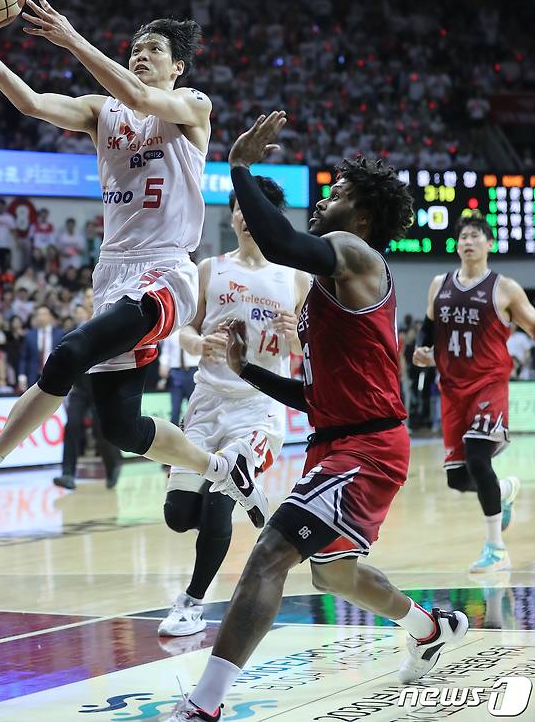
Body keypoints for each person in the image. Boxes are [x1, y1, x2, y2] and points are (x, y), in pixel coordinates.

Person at [0, 0, 265, 520]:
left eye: (152, 49)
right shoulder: (102, 111)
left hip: (166, 272)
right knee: (122, 427)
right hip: (113, 275)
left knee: (67, 355)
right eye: (135, 48)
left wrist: (71, 37)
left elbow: (143, 98)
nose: (140, 55)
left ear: (178, 66)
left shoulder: (192, 106)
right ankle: (221, 469)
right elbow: (31, 102)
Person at [169, 114, 469, 722]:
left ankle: (203, 707)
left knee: (271, 551)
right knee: (333, 577)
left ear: (359, 220)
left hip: (366, 449)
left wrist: (240, 167)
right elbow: (315, 398)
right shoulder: (333, 285)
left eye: (336, 196)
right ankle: (429, 625)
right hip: (342, 441)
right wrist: (248, 370)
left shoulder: (354, 253)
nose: (323, 201)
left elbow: (279, 242)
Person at [159, 176, 309, 638]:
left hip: (258, 408)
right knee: (179, 515)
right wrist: (197, 342)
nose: (247, 215)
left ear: (273, 217)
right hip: (206, 402)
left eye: (257, 207)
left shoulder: (296, 278)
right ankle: (250, 491)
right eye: (240, 207)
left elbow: (310, 350)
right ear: (232, 216)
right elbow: (183, 330)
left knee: (216, 508)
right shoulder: (209, 268)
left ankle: (191, 603)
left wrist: (295, 338)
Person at [413, 213, 535, 573]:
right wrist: (422, 351)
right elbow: (428, 327)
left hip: (488, 385)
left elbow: (531, 324)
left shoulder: (505, 288)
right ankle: (506, 489)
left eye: (475, 236)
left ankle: (496, 549)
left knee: (479, 461)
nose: (468, 241)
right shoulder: (440, 283)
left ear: (489, 244)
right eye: (463, 236)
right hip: (452, 388)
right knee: (458, 478)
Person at [54, 306, 123, 490]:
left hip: (101, 386)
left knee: (100, 431)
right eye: (76, 311)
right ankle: (67, 473)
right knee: (72, 424)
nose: (79, 313)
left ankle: (113, 466)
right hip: (78, 388)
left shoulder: (107, 328)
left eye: (83, 309)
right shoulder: (70, 334)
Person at [17, 304, 65, 392]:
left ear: (50, 317)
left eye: (44, 314)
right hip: (33, 375)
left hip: (53, 374)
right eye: (39, 314)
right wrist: (22, 377)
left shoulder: (60, 334)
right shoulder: (29, 335)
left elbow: (65, 357)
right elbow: (24, 357)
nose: (41, 317)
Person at [157, 330, 200, 427]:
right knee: (175, 409)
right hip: (175, 371)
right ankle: (174, 437)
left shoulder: (196, 329)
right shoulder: (172, 330)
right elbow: (166, 351)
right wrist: (163, 364)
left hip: (193, 370)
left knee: (194, 408)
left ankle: (193, 433)